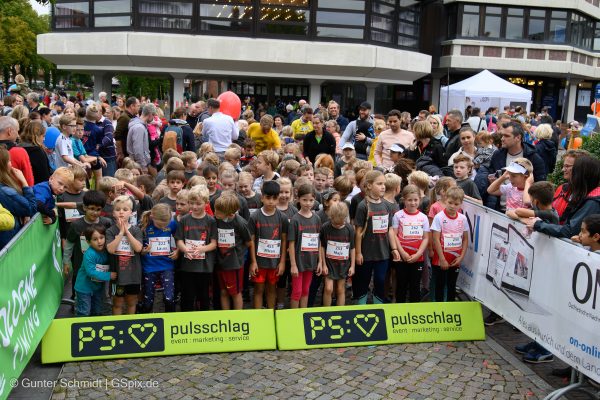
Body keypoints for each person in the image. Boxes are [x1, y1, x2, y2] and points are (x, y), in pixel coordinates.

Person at [353, 170, 400, 304]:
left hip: (383, 252)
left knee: (380, 280)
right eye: (379, 184)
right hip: (366, 253)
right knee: (363, 281)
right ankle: (361, 307)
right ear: (369, 185)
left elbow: (389, 229)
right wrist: (358, 253)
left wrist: (394, 249)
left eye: (384, 184)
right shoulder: (363, 206)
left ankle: (378, 306)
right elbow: (358, 231)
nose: (383, 187)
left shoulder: (386, 205)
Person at [477, 121, 546, 210]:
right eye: (502, 135)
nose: (502, 139)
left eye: (506, 136)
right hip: (499, 208)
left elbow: (541, 187)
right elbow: (492, 180)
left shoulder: (533, 158)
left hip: (523, 212)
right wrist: (493, 180)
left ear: (518, 137)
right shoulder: (497, 155)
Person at [529, 156, 600, 238]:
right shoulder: (585, 194)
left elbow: (570, 231)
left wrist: (538, 224)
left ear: (582, 175)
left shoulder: (593, 201)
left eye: (574, 171)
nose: (564, 170)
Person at [174, 185, 217, 311]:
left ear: (206, 203)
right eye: (191, 203)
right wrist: (185, 249)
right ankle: (186, 319)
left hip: (204, 266)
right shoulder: (184, 220)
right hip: (187, 265)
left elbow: (214, 244)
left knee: (203, 296)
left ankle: (203, 320)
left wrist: (202, 249)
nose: (194, 206)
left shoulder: (211, 221)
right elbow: (179, 240)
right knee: (187, 296)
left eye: (198, 204)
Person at [248, 180, 287, 309]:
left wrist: (282, 262)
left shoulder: (282, 218)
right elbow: (251, 241)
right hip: (259, 263)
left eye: (274, 198)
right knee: (258, 290)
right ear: (262, 197)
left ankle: (271, 314)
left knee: (271, 289)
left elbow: (284, 240)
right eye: (268, 198)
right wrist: (253, 262)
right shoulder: (255, 217)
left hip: (274, 263)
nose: (271, 201)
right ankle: (259, 317)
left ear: (278, 198)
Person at [106, 195, 144, 315]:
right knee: (117, 303)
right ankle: (117, 324)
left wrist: (127, 232)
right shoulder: (110, 231)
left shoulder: (136, 230)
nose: (121, 212)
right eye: (118, 209)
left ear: (131, 213)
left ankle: (130, 323)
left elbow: (138, 248)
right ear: (113, 213)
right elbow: (111, 249)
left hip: (133, 275)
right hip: (118, 276)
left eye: (125, 209)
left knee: (131, 302)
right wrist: (121, 233)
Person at [392, 184, 430, 303]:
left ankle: (415, 311)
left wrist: (418, 254)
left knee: (415, 286)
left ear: (420, 200)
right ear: (404, 200)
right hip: (402, 257)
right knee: (401, 285)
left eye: (415, 200)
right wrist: (402, 253)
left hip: (417, 258)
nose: (413, 203)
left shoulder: (423, 217)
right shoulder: (398, 215)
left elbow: (425, 238)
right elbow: (394, 235)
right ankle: (399, 310)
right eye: (409, 200)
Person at [214, 193, 252, 310]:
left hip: (234, 264)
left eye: (218, 211)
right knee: (223, 291)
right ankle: (226, 317)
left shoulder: (240, 223)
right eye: (215, 209)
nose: (215, 212)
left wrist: (239, 253)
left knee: (235, 292)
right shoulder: (216, 220)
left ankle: (237, 317)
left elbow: (249, 242)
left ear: (230, 213)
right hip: (220, 262)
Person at [430, 186, 468, 302]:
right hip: (441, 259)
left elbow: (465, 239)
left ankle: (451, 310)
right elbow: (436, 239)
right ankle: (439, 309)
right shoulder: (439, 217)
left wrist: (461, 257)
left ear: (461, 204)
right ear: (445, 200)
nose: (452, 206)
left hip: (455, 259)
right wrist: (442, 259)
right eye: (450, 202)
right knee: (440, 286)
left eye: (456, 204)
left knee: (452, 287)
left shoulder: (463, 218)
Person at [139, 204, 178, 313]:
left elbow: (179, 238)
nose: (162, 227)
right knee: (148, 301)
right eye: (160, 225)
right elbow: (137, 246)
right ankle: (147, 320)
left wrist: (178, 251)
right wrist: (143, 251)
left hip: (167, 265)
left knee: (169, 298)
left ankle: (170, 321)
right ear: (152, 217)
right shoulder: (143, 224)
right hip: (149, 267)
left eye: (164, 225)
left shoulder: (172, 224)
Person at [288, 184, 322, 309]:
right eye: (304, 200)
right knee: (297, 291)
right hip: (298, 262)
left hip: (311, 261)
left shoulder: (317, 218)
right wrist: (293, 265)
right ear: (298, 199)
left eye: (311, 200)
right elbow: (291, 243)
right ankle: (293, 317)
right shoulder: (295, 220)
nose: (308, 203)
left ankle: (303, 314)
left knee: (306, 290)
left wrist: (320, 261)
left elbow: (318, 242)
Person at [74, 224, 117, 316]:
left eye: (101, 238)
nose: (99, 241)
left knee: (97, 310)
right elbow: (90, 272)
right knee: (84, 312)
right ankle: (81, 324)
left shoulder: (107, 251)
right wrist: (109, 275)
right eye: (95, 239)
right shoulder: (89, 254)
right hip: (84, 288)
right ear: (88, 242)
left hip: (97, 287)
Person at [0, 147, 36, 248]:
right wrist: (24, 183)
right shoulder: (4, 191)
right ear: (3, 165)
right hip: (9, 241)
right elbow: (31, 208)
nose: (11, 164)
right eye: (9, 161)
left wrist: (24, 213)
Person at [320, 201, 354, 307]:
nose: (338, 225)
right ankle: (326, 311)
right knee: (328, 288)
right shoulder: (325, 227)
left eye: (341, 223)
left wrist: (352, 266)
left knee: (340, 289)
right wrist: (323, 264)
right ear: (331, 217)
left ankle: (340, 311)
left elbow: (352, 248)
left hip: (343, 264)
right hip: (329, 264)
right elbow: (322, 246)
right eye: (335, 223)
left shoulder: (349, 228)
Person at [0, 116, 34, 186]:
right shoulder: (19, 152)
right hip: (15, 191)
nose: (18, 135)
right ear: (9, 131)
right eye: (17, 131)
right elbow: (29, 182)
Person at [18, 120, 52, 184]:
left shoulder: (17, 148)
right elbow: (44, 175)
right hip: (37, 186)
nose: (44, 139)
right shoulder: (38, 152)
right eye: (43, 136)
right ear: (37, 136)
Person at [127, 103, 157, 174]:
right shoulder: (139, 127)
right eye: (153, 115)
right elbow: (138, 149)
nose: (153, 118)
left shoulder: (139, 126)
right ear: (150, 114)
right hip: (138, 165)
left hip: (138, 163)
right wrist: (143, 166)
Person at [114, 96, 140, 163]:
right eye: (138, 106)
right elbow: (117, 136)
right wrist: (120, 153)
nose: (139, 108)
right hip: (125, 153)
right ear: (132, 106)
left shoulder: (132, 117)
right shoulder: (124, 117)